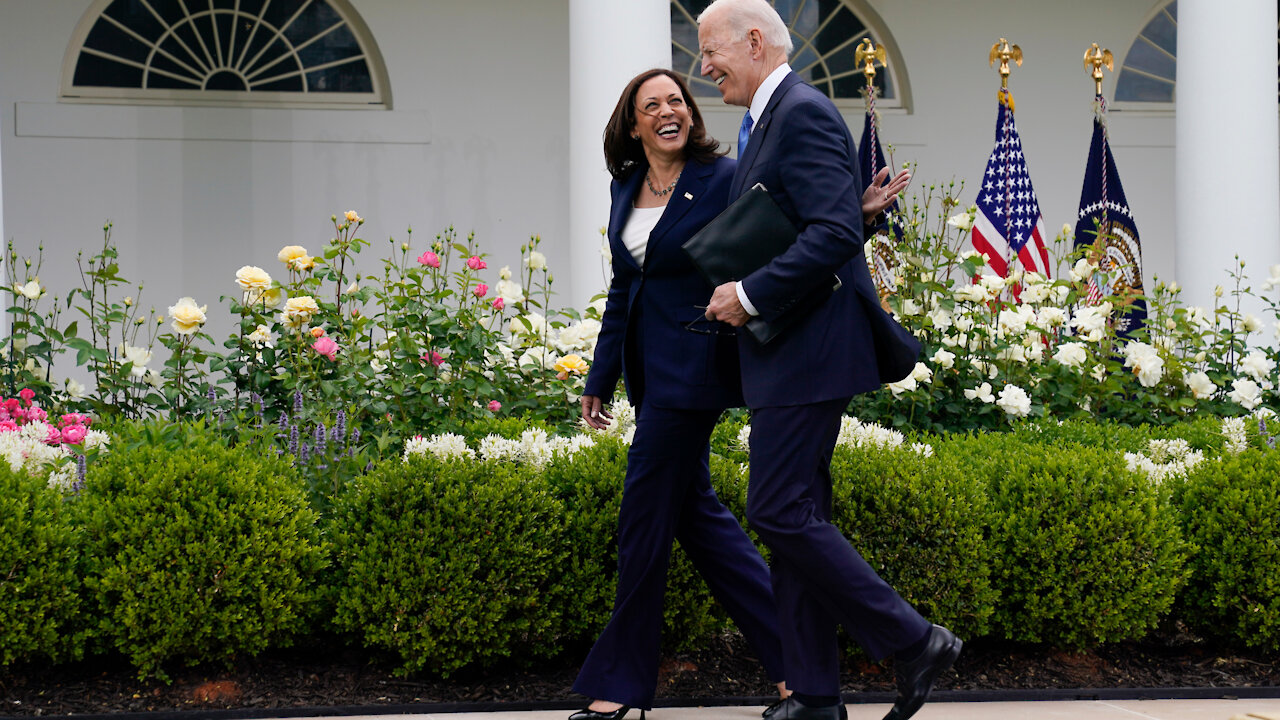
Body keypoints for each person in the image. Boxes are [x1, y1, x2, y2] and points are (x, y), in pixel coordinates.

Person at [696, 3, 962, 720]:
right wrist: (856, 211)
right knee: (797, 514)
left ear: (755, 41)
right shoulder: (770, 119)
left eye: (710, 49)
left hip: (809, 349)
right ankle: (815, 697)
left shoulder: (802, 111)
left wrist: (747, 294)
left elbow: (830, 232)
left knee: (777, 511)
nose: (703, 66)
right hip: (789, 352)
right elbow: (817, 216)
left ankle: (914, 641)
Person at [568, 68, 788, 720]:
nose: (668, 110)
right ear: (633, 125)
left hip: (697, 368)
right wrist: (599, 378)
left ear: (688, 112)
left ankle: (621, 686)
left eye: (676, 100)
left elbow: (782, 233)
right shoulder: (625, 188)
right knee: (702, 524)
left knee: (642, 524)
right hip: (648, 373)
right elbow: (623, 290)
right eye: (651, 104)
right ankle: (799, 668)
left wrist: (851, 214)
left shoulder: (723, 178)